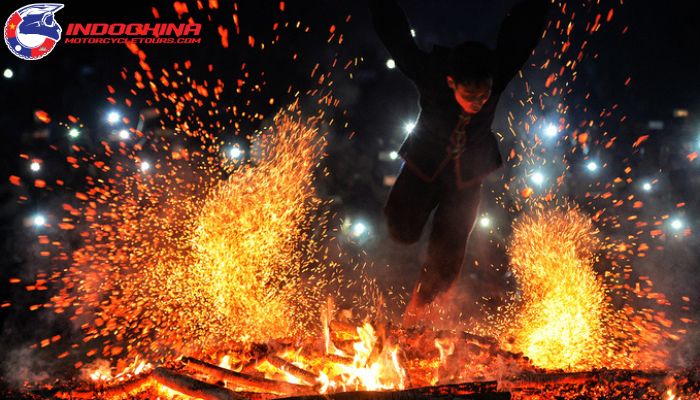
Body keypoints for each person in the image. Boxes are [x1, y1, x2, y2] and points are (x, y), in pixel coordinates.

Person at [369, 0, 550, 325]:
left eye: (484, 97)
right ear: (451, 83)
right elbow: (396, 37)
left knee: (448, 253)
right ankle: (404, 243)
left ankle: (419, 316)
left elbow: (521, 35)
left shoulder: (498, 72)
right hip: (423, 168)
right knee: (401, 230)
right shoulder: (428, 73)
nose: (477, 104)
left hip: (466, 178)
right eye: (470, 97)